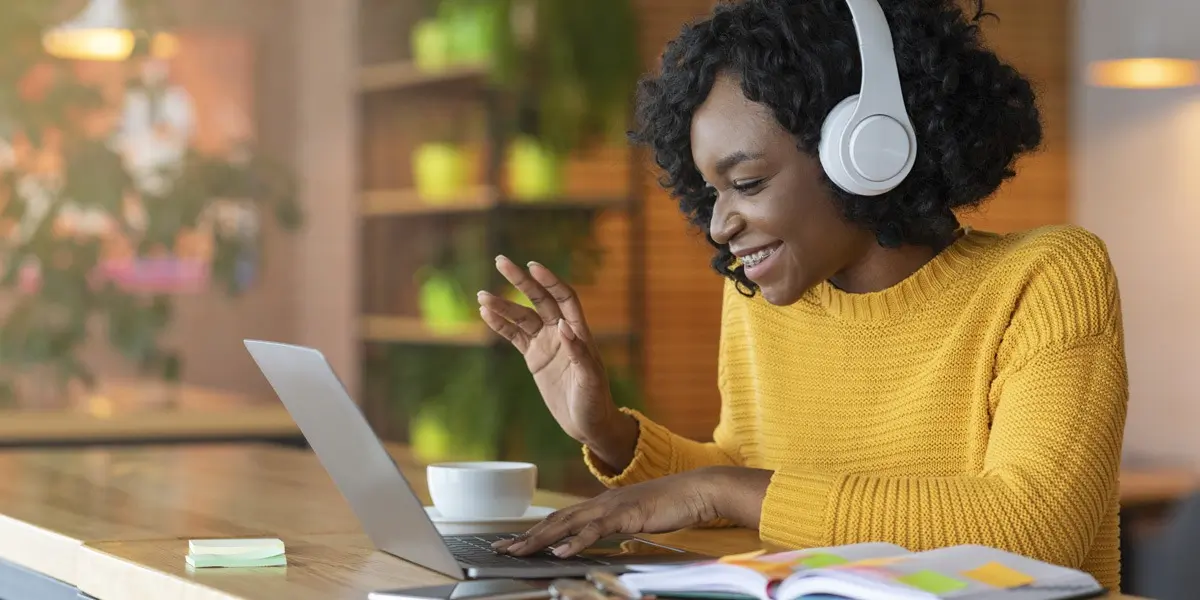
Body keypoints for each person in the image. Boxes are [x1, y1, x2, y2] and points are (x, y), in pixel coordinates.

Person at [475, 0, 1128, 590]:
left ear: (867, 150)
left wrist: (722, 488)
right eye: (711, 193)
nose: (718, 223)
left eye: (748, 182)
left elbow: (1036, 531)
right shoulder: (762, 299)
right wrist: (610, 433)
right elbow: (738, 478)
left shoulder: (1045, 278)